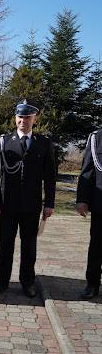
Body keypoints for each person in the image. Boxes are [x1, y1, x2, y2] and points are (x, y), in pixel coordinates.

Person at [0, 100, 55, 298]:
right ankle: (2, 281)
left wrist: (49, 203)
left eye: (27, 117)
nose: (22, 121)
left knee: (29, 246)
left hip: (31, 204)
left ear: (34, 119)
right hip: (7, 203)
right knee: (5, 244)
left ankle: (28, 282)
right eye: (19, 117)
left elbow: (50, 176)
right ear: (15, 118)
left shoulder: (43, 143)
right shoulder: (4, 141)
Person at [76, 127, 102, 299]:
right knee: (97, 247)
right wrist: (82, 199)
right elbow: (87, 170)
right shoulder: (96, 138)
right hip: (101, 203)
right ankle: (92, 284)